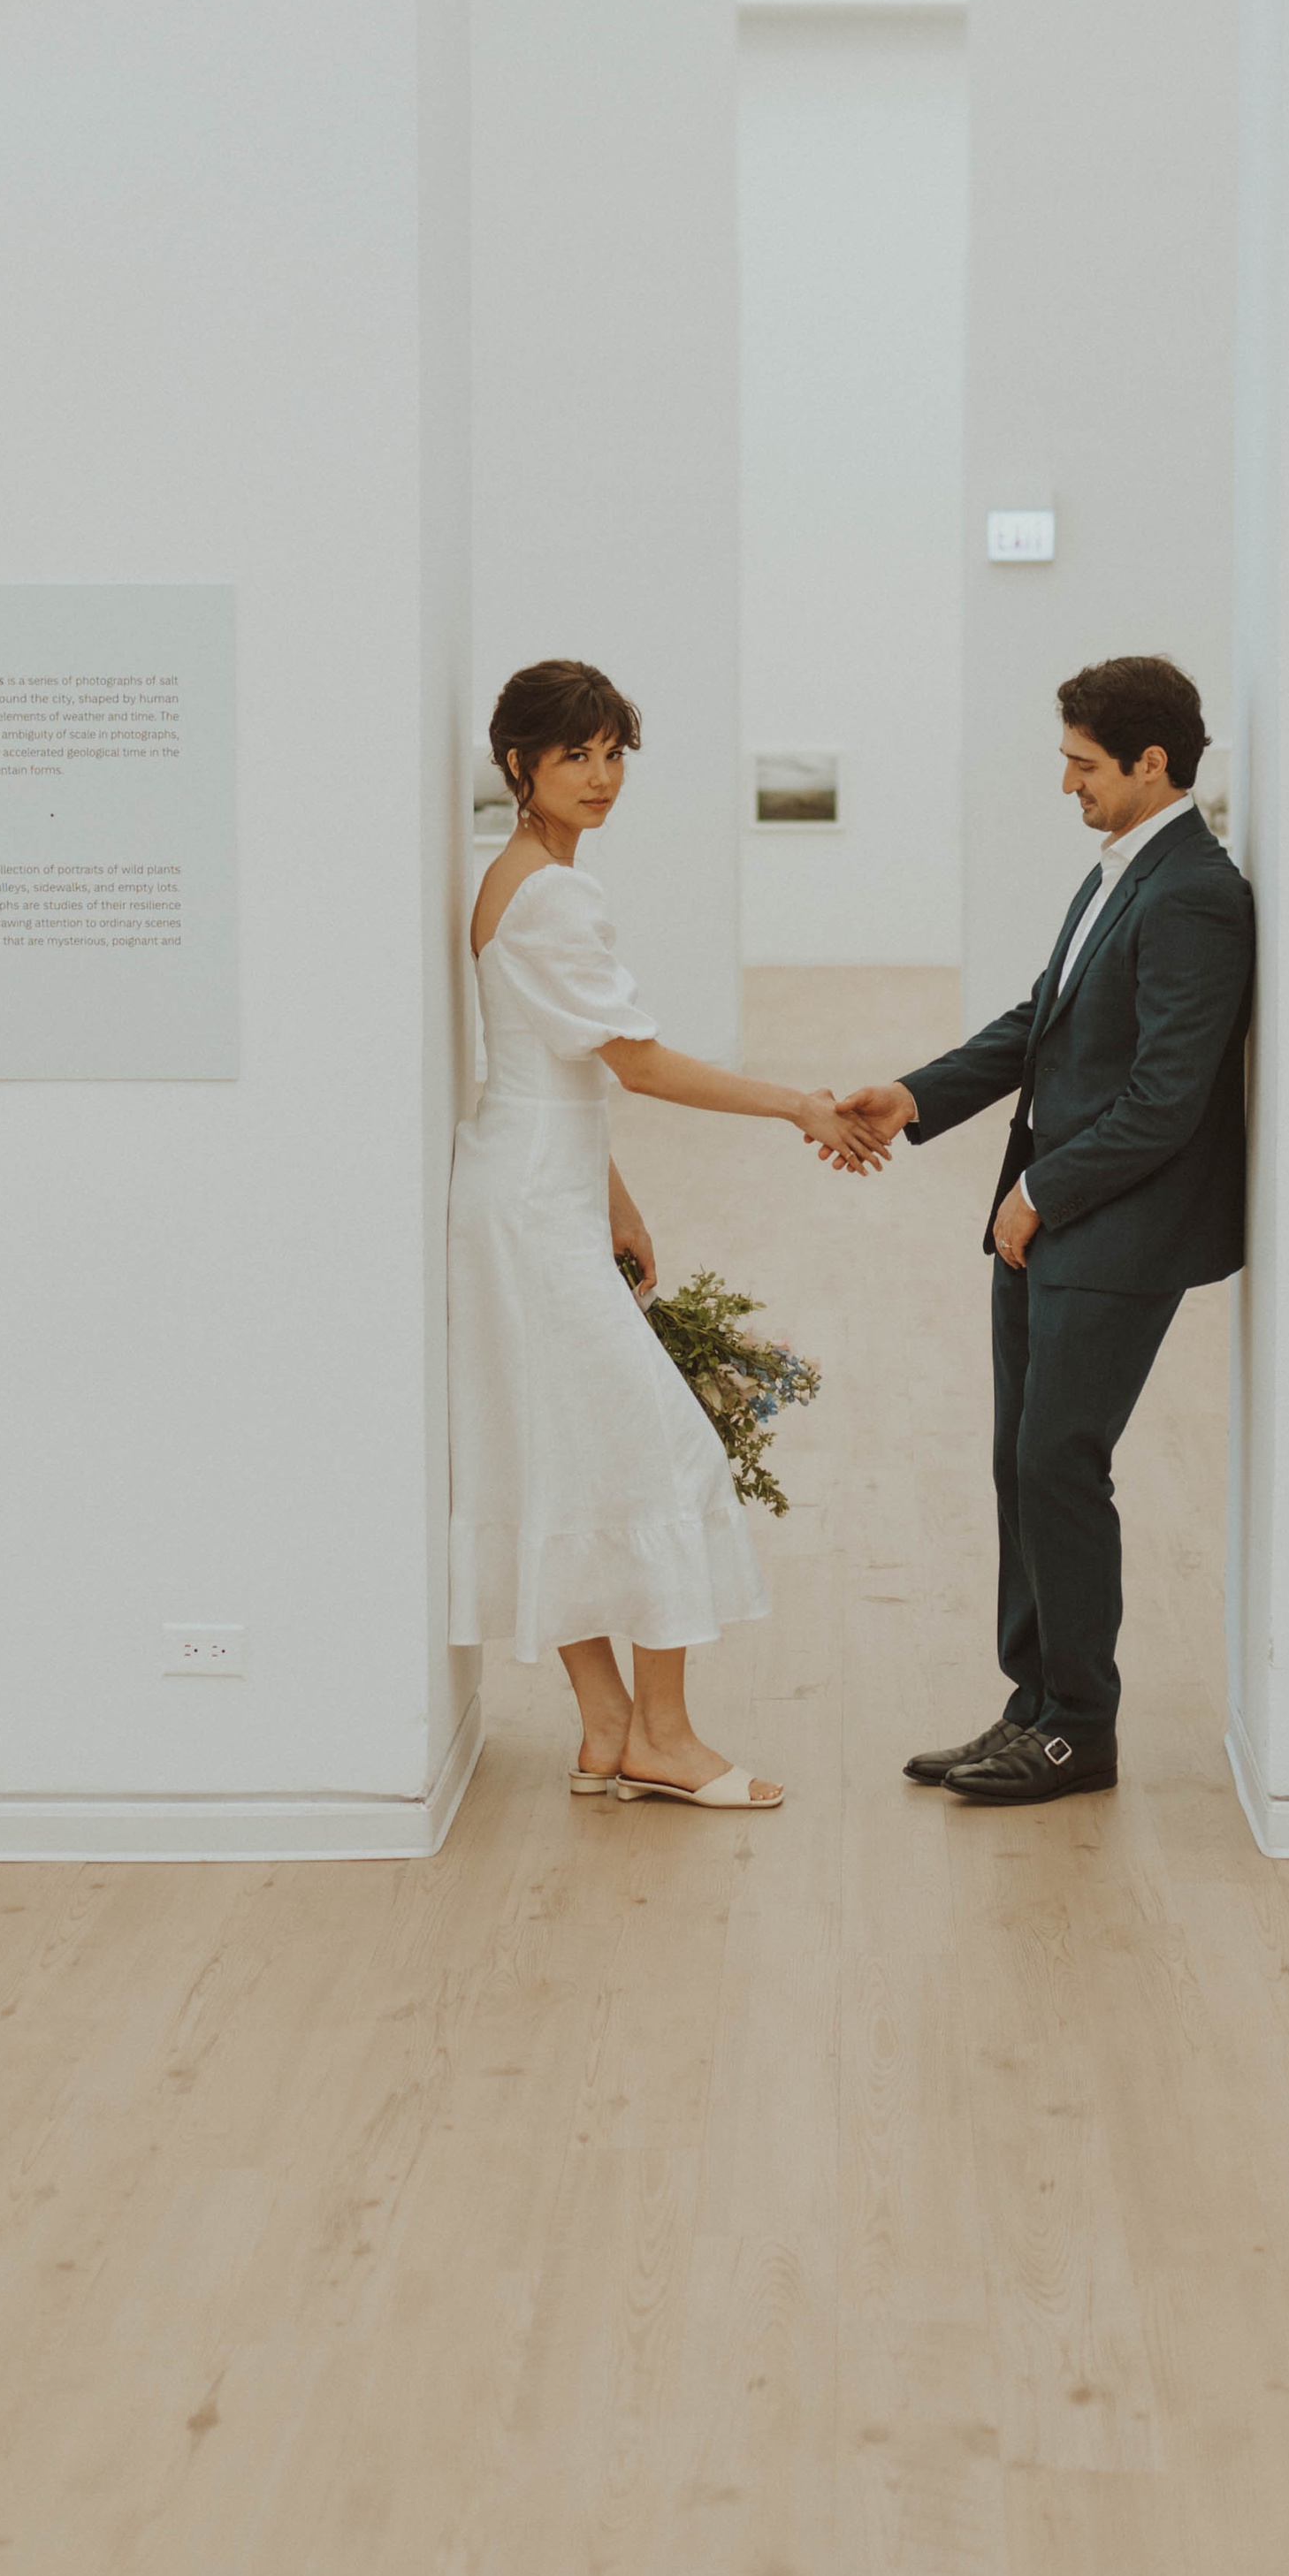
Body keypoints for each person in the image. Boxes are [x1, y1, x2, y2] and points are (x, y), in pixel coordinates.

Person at [450, 658, 885, 1812]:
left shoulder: (512, 878)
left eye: (612, 753)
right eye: (573, 757)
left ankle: (607, 1733)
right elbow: (634, 1063)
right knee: (662, 1455)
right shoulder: (552, 894)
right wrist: (797, 1102)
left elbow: (554, 1066)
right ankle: (668, 1738)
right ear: (518, 767)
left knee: (569, 1461)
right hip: (531, 1208)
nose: (600, 778)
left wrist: (617, 1200)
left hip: (527, 1186)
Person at [834, 657, 1253, 1807]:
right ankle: (1033, 1705)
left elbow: (1167, 1099)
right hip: (1056, 1218)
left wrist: (1043, 1193)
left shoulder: (1196, 896)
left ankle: (1078, 1729)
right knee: (1020, 1459)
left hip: (1116, 1231)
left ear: (1149, 762)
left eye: (1082, 763)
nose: (1065, 783)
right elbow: (1045, 1023)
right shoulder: (1122, 869)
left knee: (1058, 1462)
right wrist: (916, 1096)